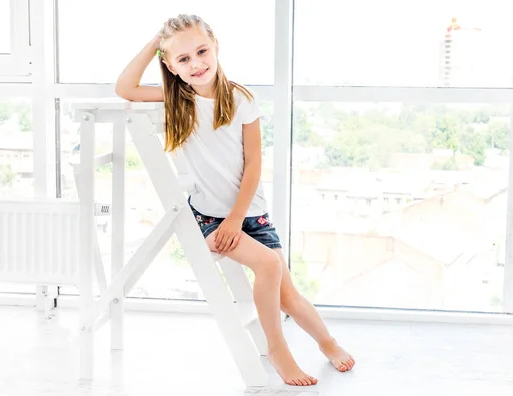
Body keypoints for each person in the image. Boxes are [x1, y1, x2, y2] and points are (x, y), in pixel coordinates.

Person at [115, 13, 355, 387]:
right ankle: (278, 351)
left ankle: (328, 343)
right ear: (171, 66)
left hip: (251, 215)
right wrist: (156, 43)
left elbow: (255, 164)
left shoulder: (241, 99)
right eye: (183, 59)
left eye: (201, 51)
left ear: (215, 48)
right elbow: (125, 88)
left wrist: (237, 218)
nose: (195, 63)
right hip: (209, 218)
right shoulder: (178, 97)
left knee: (288, 295)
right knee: (270, 267)